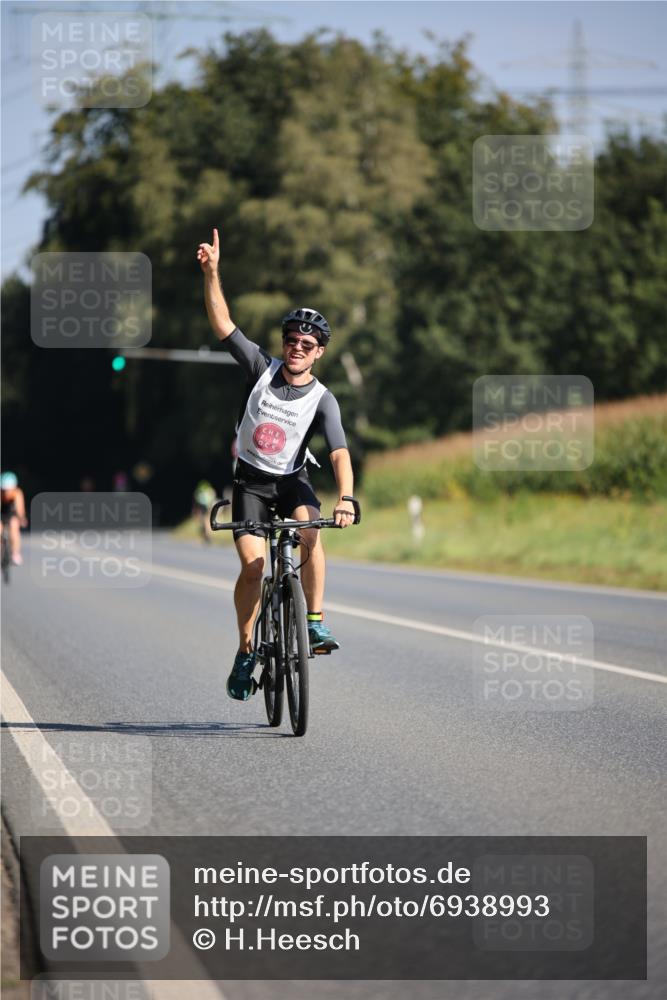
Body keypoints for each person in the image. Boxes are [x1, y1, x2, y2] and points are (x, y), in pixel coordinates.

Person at [197, 227, 355, 701]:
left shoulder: (324, 399)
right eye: (292, 340)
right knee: (253, 568)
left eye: (307, 344)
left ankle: (315, 621)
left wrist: (346, 497)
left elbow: (340, 451)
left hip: (291, 482)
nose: (297, 348)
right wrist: (212, 272)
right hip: (250, 483)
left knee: (311, 532)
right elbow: (223, 322)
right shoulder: (259, 369)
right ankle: (246, 650)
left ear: (319, 352)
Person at [1, 472, 28, 565]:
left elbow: (20, 509)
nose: (6, 492)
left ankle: (15, 553)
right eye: (4, 490)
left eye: (9, 489)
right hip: (2, 512)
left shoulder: (17, 493)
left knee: (14, 527)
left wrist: (22, 519)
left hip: (12, 513)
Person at [192, 479, 216, 543]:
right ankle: (207, 535)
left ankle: (207, 535)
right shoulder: (209, 490)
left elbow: (196, 502)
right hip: (207, 506)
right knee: (206, 521)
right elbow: (212, 498)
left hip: (202, 506)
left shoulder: (198, 491)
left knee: (204, 521)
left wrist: (195, 511)